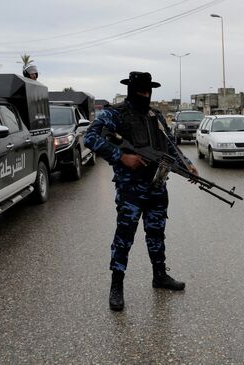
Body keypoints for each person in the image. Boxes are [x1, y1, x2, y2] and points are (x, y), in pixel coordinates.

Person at [84, 71, 198, 312]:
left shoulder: (155, 116)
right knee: (124, 238)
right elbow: (90, 138)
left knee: (156, 233)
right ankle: (116, 287)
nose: (144, 96)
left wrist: (186, 164)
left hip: (157, 187)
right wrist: (122, 157)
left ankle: (159, 276)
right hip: (131, 190)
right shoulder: (114, 114)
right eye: (140, 92)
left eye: (148, 91)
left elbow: (168, 145)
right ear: (130, 90)